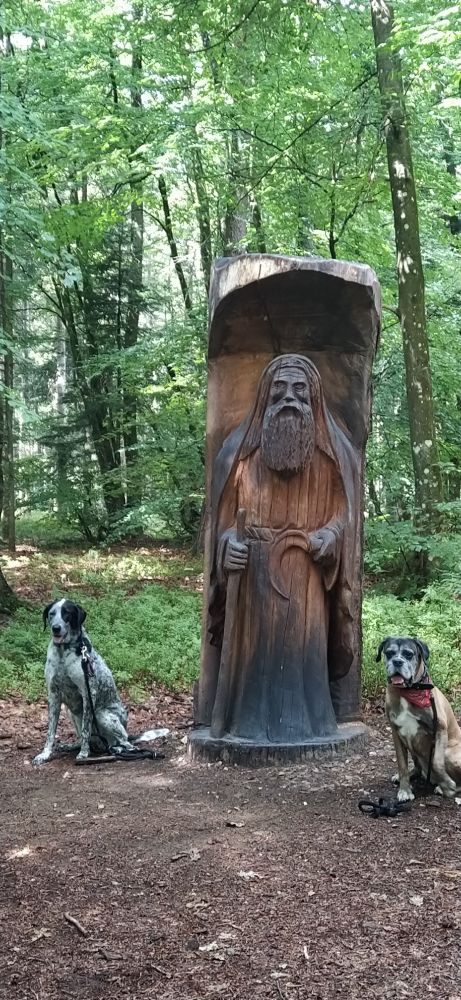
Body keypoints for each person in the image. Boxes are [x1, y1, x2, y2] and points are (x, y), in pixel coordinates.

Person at [202, 354, 359, 743]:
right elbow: (220, 525)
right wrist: (227, 546)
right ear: (265, 398)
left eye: (300, 390)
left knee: (301, 662)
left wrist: (330, 537)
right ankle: (246, 724)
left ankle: (310, 722)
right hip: (252, 584)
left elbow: (344, 518)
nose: (289, 398)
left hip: (305, 582)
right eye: (279, 390)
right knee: (257, 663)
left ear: (314, 398)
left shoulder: (332, 458)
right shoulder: (239, 457)